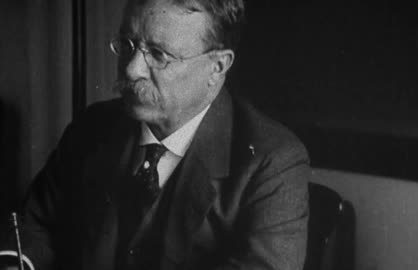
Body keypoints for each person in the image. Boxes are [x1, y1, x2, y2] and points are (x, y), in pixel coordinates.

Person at [1, 0, 310, 269]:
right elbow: (35, 225)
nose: (132, 69)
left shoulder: (274, 163)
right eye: (128, 44)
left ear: (217, 66)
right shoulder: (91, 128)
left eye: (159, 54)